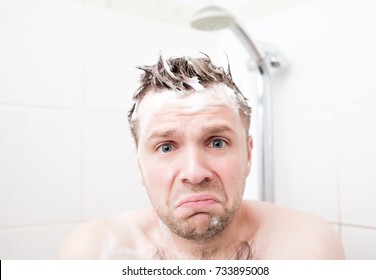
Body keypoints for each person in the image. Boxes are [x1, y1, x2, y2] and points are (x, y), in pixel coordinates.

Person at [59, 54, 345, 260]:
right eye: (167, 147)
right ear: (139, 166)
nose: (195, 173)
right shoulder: (94, 253)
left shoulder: (307, 248)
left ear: (248, 155)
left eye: (217, 142)